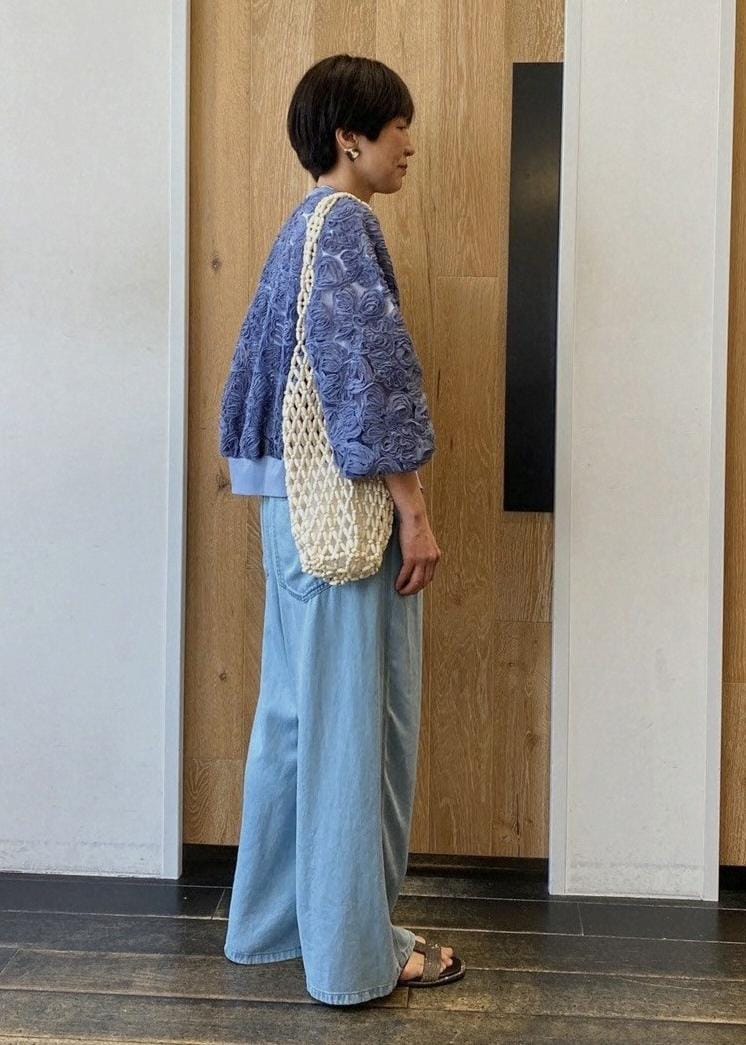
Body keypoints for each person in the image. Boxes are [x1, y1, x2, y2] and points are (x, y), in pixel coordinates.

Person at [218, 53, 466, 1006]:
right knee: (352, 732)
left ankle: (274, 924)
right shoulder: (349, 225)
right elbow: (371, 370)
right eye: (397, 128)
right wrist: (414, 510)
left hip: (293, 515)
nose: (410, 144)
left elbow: (257, 378)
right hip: (348, 516)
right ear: (349, 138)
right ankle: (356, 956)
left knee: (295, 719)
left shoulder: (300, 229)